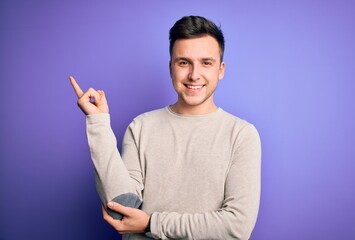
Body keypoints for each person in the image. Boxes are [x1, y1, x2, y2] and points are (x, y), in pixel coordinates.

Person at [70, 16, 261, 240]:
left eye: (206, 63)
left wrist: (152, 223)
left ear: (221, 69)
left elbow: (237, 226)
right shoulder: (141, 127)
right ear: (171, 68)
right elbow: (120, 208)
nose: (194, 74)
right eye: (183, 62)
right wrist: (98, 123)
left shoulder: (242, 135)